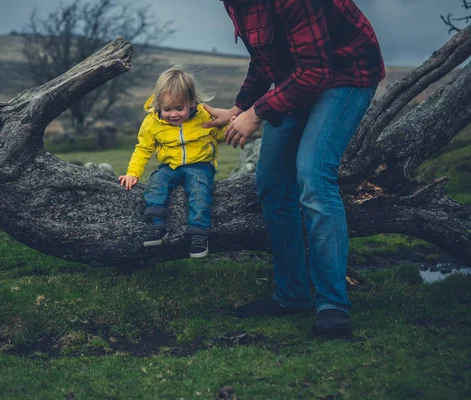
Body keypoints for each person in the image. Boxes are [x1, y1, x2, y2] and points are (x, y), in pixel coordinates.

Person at [203, 0, 385, 336]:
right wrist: (238, 107)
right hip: (298, 77)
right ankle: (292, 295)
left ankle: (332, 303)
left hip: (347, 74)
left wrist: (255, 114)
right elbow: (265, 58)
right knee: (271, 181)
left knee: (314, 174)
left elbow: (316, 70)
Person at [119, 66, 226, 258]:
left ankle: (198, 235)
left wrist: (231, 126)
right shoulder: (152, 122)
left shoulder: (203, 116)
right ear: (158, 103)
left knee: (200, 191)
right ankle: (157, 226)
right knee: (156, 182)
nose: (173, 114)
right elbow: (143, 148)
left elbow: (218, 133)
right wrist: (132, 173)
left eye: (179, 108)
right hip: (170, 167)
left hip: (200, 165)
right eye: (167, 109)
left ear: (191, 102)